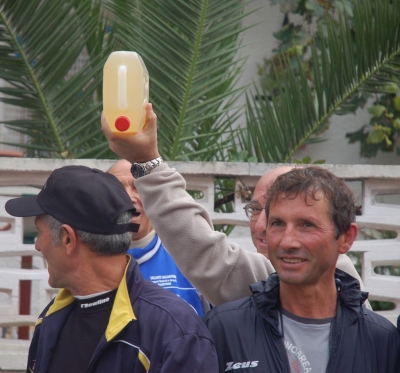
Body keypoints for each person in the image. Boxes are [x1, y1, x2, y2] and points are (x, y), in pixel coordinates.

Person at [102, 103, 367, 308]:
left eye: (305, 224)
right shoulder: (234, 319)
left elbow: (206, 254)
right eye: (260, 212)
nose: (263, 227)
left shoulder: (368, 328)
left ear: (345, 238)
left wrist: (149, 162)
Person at [5, 165, 218, 373]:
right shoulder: (51, 320)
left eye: (39, 232)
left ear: (68, 238)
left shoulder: (174, 330)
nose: (37, 245)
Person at [203, 167, 400, 372]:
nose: (288, 241)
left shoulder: (381, 341)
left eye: (306, 225)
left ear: (346, 237)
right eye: (278, 223)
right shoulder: (222, 329)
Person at [109, 159, 209, 315]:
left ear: (153, 194)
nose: (128, 197)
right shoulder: (92, 260)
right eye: (118, 189)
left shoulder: (187, 256)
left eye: (137, 187)